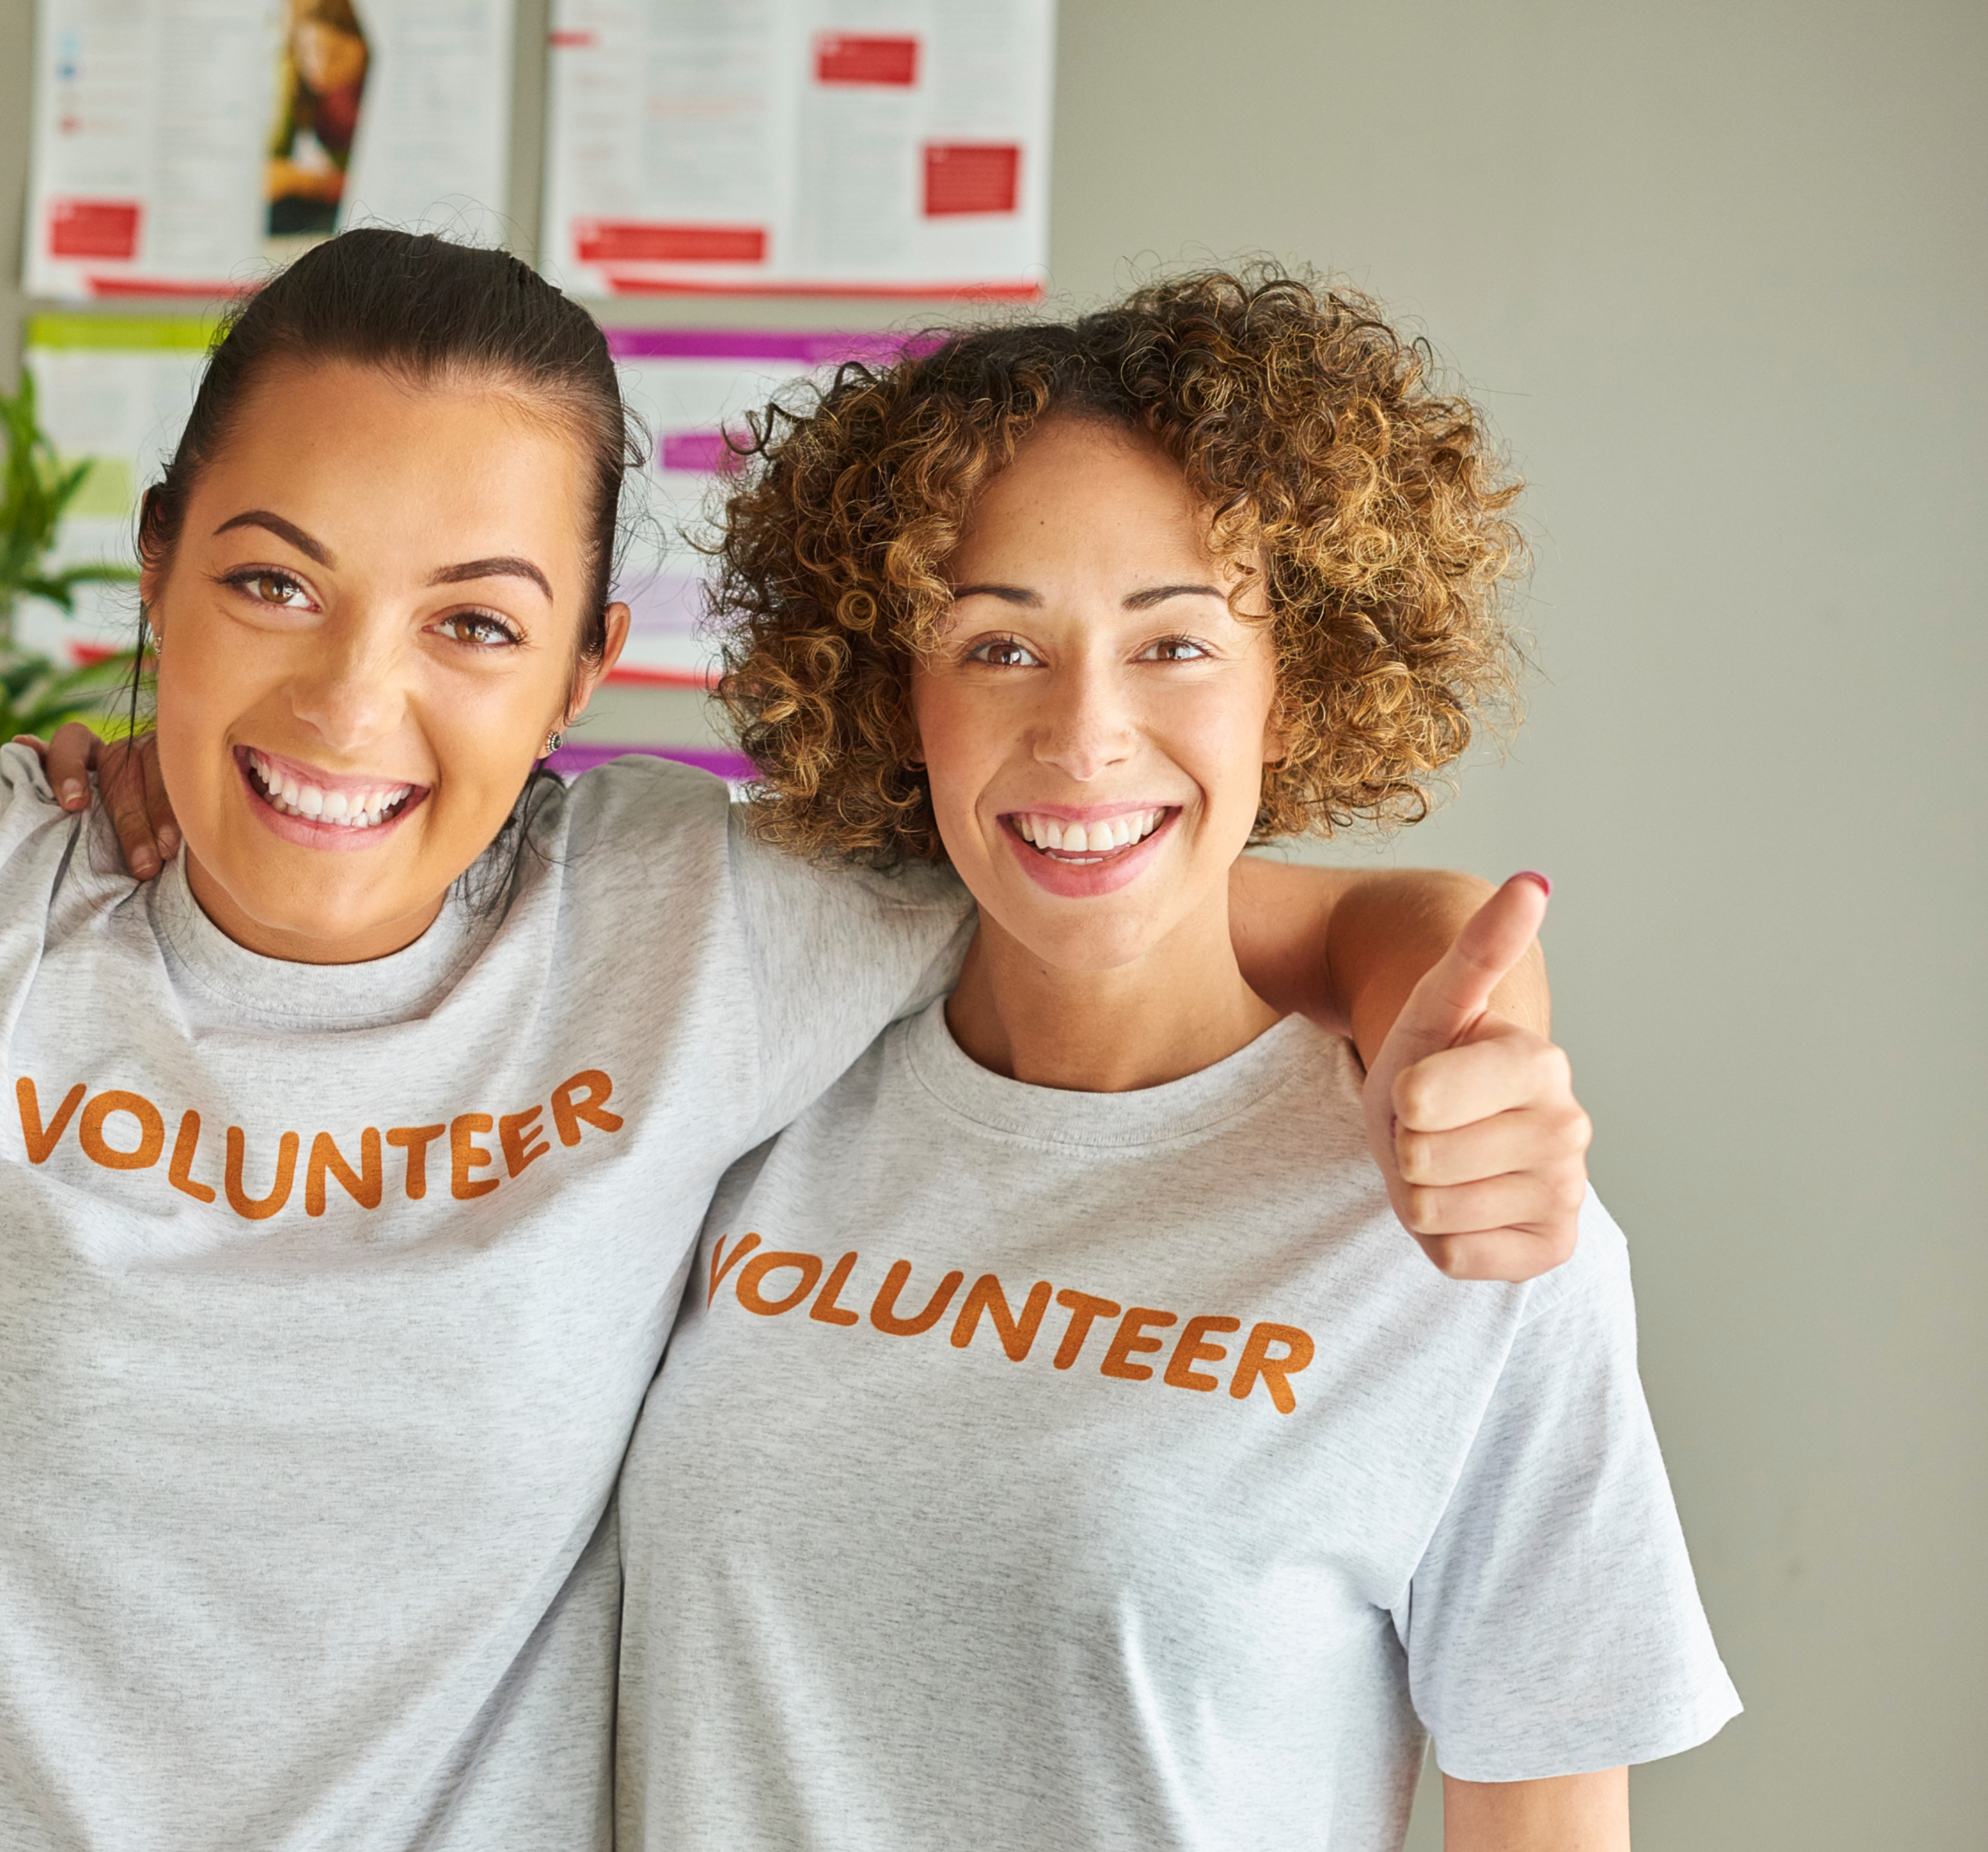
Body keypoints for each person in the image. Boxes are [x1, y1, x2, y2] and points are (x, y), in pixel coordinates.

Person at [0, 230, 1594, 1849]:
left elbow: (1125, 838)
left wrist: (1417, 977)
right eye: (268, 580)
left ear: (590, 675)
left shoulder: (708, 926)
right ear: (149, 584)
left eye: (472, 619)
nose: (351, 699)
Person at [611, 272, 1735, 1850]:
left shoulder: (1472, 1224)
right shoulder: (754, 1094)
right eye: (999, 647)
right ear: (896, 691)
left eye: (1177, 647)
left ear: (1298, 685)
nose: (1085, 738)